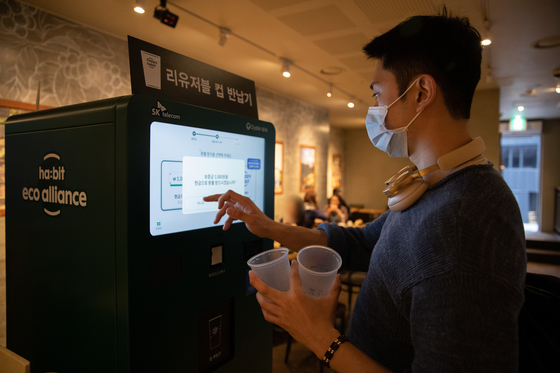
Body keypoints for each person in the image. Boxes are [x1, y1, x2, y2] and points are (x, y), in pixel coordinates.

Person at [204, 8, 526, 373]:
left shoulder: (463, 223)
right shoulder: (435, 185)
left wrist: (317, 336)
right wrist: (271, 228)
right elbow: (362, 244)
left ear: (421, 93)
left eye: (377, 94)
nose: (373, 108)